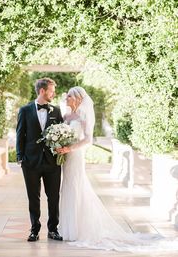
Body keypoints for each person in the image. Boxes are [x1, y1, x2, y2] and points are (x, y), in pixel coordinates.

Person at [57, 86, 178, 252]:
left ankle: (78, 230)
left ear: (77, 98)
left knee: (75, 187)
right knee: (67, 188)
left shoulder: (84, 115)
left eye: (68, 96)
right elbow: (63, 134)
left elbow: (88, 140)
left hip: (75, 157)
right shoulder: (67, 115)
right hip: (66, 157)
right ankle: (68, 228)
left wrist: (70, 149)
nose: (66, 99)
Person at [16, 77, 63, 242]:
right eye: (51, 91)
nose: (53, 94)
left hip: (52, 162)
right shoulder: (25, 110)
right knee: (33, 197)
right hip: (30, 162)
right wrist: (20, 158)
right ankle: (34, 230)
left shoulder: (56, 111)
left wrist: (62, 151)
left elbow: (62, 133)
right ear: (42, 91)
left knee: (54, 197)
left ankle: (53, 229)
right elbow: (20, 135)